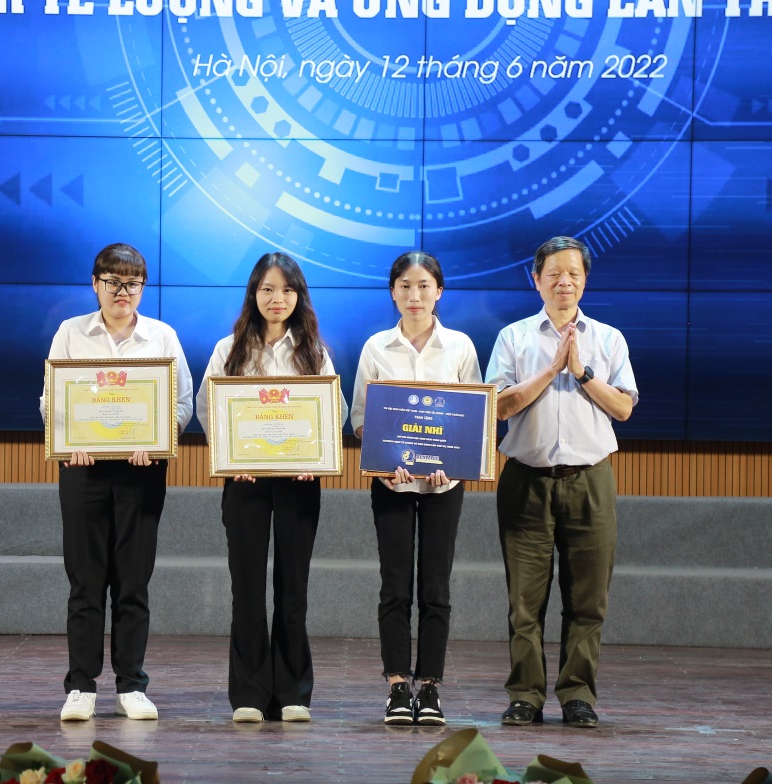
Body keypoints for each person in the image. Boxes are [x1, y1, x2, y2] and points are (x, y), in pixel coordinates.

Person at [485, 236, 638, 729]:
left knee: (587, 600)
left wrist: (582, 372)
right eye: (553, 274)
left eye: (573, 273)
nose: (563, 282)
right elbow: (498, 407)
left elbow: (623, 407)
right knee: (524, 601)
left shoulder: (609, 339)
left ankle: (577, 696)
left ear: (585, 280)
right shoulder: (513, 338)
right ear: (536, 280)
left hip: (590, 481)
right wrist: (552, 370)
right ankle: (525, 696)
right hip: (526, 480)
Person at [41, 243, 194, 722]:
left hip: (141, 471)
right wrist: (69, 440)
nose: (122, 291)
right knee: (85, 582)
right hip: (82, 468)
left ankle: (132, 685)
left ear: (143, 287)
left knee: (133, 581)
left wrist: (160, 438)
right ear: (95, 284)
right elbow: (50, 401)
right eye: (113, 282)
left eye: (132, 283)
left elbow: (183, 403)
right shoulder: (70, 333)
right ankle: (80, 686)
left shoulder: (162, 337)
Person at [195, 252, 347, 724]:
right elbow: (207, 408)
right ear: (253, 294)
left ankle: (293, 692)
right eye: (267, 289)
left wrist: (315, 458)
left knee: (293, 588)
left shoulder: (314, 351)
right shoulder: (229, 349)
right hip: (245, 482)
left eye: (286, 289)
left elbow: (335, 411)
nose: (276, 298)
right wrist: (230, 457)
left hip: (300, 483)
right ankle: (249, 693)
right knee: (246, 588)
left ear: (298, 296)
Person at [350, 251, 482, 725]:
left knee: (435, 588)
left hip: (445, 487)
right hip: (392, 485)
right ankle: (396, 687)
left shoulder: (460, 346)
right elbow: (361, 418)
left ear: (439, 291)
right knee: (394, 587)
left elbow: (474, 419)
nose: (415, 294)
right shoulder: (376, 347)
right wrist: (382, 461)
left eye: (424, 285)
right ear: (393, 291)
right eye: (405, 285)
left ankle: (429, 687)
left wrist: (456, 463)